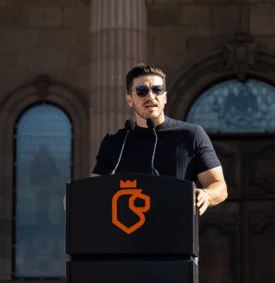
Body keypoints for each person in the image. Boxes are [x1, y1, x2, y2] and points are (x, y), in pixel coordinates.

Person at [91, 63, 227, 215]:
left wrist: (207, 195)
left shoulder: (191, 135)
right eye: (142, 91)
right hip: (128, 233)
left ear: (165, 97)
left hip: (176, 233)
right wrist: (72, 197)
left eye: (157, 90)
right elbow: (92, 189)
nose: (151, 96)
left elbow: (219, 186)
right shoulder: (115, 141)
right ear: (129, 100)